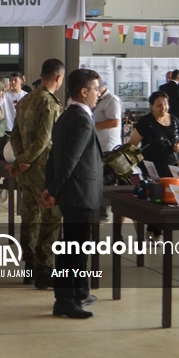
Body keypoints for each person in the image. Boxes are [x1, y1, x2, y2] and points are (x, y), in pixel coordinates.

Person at [42, 68, 103, 319]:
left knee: (76, 245)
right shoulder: (79, 118)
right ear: (84, 91)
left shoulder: (67, 115)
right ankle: (64, 298)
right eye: (96, 89)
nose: (99, 94)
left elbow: (53, 158)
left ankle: (78, 290)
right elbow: (69, 160)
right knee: (73, 248)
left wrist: (50, 186)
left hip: (73, 192)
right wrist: (54, 190)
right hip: (78, 192)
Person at [8, 59, 65, 288]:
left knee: (30, 218)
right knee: (51, 218)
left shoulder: (25, 100)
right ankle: (45, 269)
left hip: (27, 172)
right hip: (43, 171)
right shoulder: (49, 103)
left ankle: (29, 266)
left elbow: (13, 135)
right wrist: (26, 161)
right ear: (58, 78)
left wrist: (21, 161)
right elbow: (44, 141)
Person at [128, 91, 179, 178]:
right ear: (152, 106)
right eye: (159, 105)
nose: (163, 108)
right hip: (152, 171)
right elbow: (132, 145)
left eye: (166, 104)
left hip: (173, 169)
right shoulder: (145, 122)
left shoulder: (174, 119)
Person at [93, 81, 122, 155]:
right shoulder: (98, 99)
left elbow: (114, 122)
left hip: (108, 148)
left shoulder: (112, 99)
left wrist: (91, 126)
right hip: (97, 147)